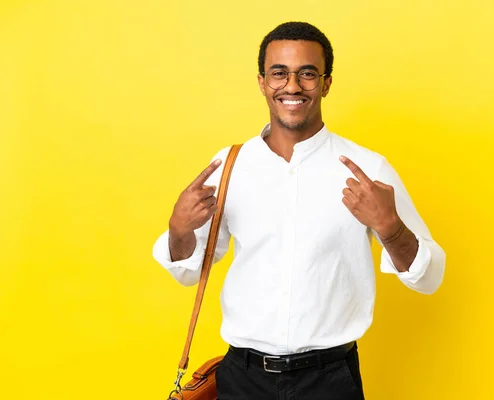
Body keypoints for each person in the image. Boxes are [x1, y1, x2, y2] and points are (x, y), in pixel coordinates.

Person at [153, 21, 445, 400]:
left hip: (329, 381)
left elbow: (430, 278)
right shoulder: (229, 166)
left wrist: (391, 230)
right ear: (262, 82)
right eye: (279, 73)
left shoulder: (368, 169)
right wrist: (178, 229)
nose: (292, 86)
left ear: (325, 83)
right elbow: (187, 274)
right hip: (242, 380)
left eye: (307, 74)